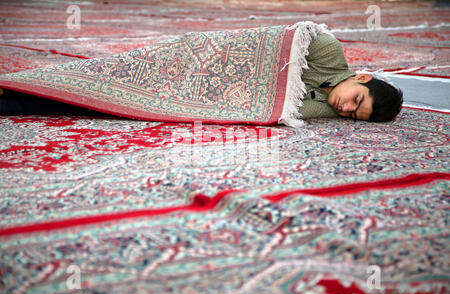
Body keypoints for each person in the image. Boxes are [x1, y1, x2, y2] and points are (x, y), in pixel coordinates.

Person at [0, 34, 403, 121]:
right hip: (199, 55)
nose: (345, 107)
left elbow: (285, 105)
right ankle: (23, 85)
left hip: (204, 92)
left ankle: (14, 100)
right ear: (361, 76)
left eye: (353, 116)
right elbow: (269, 46)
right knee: (107, 74)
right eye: (356, 100)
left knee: (119, 107)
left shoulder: (331, 109)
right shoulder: (329, 50)